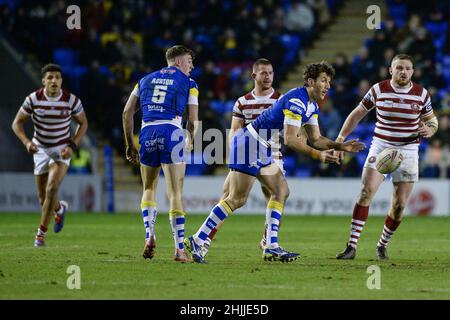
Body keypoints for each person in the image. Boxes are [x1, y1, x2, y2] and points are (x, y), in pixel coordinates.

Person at [185, 61, 366, 263]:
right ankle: (198, 239)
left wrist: (340, 147)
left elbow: (316, 139)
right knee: (236, 199)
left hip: (262, 147)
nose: (328, 86)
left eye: (329, 82)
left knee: (281, 191)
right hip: (251, 143)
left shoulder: (312, 105)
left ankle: (271, 246)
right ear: (310, 81)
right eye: (323, 81)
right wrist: (318, 155)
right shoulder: (297, 100)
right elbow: (290, 139)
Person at [335, 54, 439, 260]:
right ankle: (352, 246)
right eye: (399, 67)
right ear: (390, 70)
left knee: (399, 205)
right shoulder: (378, 89)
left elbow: (432, 121)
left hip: (408, 150)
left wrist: (430, 130)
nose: (403, 71)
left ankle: (382, 244)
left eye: (407, 68)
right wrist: (340, 139)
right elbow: (357, 113)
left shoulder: (421, 94)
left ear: (413, 71)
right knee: (366, 191)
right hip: (381, 146)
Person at [122, 45, 199, 263]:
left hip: (147, 132)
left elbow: (127, 112)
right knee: (175, 193)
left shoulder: (144, 80)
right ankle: (178, 250)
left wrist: (130, 144)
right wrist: (190, 139)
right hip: (172, 131)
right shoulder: (190, 84)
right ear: (178, 62)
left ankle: (149, 235)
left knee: (148, 188)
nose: (192, 66)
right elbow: (192, 120)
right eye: (189, 61)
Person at [202, 58, 283, 256]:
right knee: (228, 194)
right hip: (246, 153)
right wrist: (236, 152)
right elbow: (234, 131)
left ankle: (268, 240)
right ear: (254, 75)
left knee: (275, 194)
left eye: (271, 72)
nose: (268, 76)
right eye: (263, 73)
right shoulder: (242, 102)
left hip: (271, 155)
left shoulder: (280, 99)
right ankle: (205, 240)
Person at [11, 63, 88, 247]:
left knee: (52, 188)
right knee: (42, 198)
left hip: (61, 149)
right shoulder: (33, 99)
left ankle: (40, 234)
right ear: (43, 81)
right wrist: (27, 142)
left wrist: (72, 145)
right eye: (50, 77)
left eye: (58, 77)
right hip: (40, 149)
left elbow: (83, 123)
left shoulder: (71, 100)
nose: (54, 81)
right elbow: (16, 123)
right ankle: (59, 209)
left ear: (61, 81)